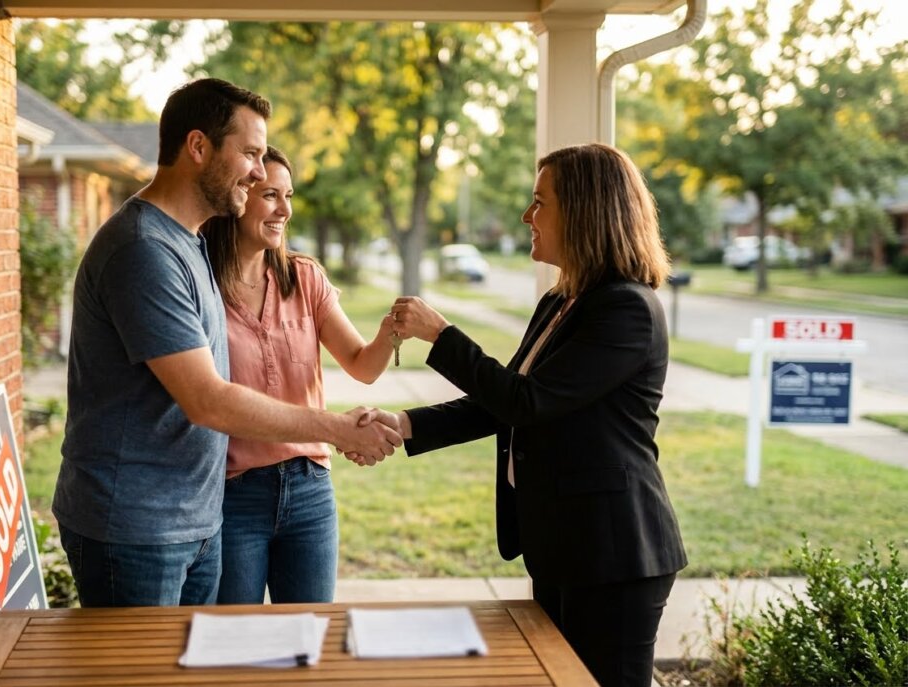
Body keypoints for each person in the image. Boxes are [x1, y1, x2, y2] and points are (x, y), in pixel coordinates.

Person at [52, 79, 401, 609]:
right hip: (135, 528)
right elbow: (208, 399)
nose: (261, 172)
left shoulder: (185, 242)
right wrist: (335, 427)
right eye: (252, 155)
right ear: (198, 148)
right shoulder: (143, 249)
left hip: (195, 518)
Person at [378, 143, 687, 687]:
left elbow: (528, 402)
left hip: (615, 555)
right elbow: (508, 400)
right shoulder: (562, 301)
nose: (527, 216)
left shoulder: (626, 309)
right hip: (563, 543)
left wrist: (441, 334)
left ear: (584, 210)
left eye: (539, 202)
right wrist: (407, 425)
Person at [201, 146, 396, 604]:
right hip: (234, 496)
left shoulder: (304, 279)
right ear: (239, 195)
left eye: (288, 196)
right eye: (271, 194)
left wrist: (390, 331)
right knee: (239, 644)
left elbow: (363, 365)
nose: (285, 210)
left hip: (309, 491)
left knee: (311, 634)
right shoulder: (201, 283)